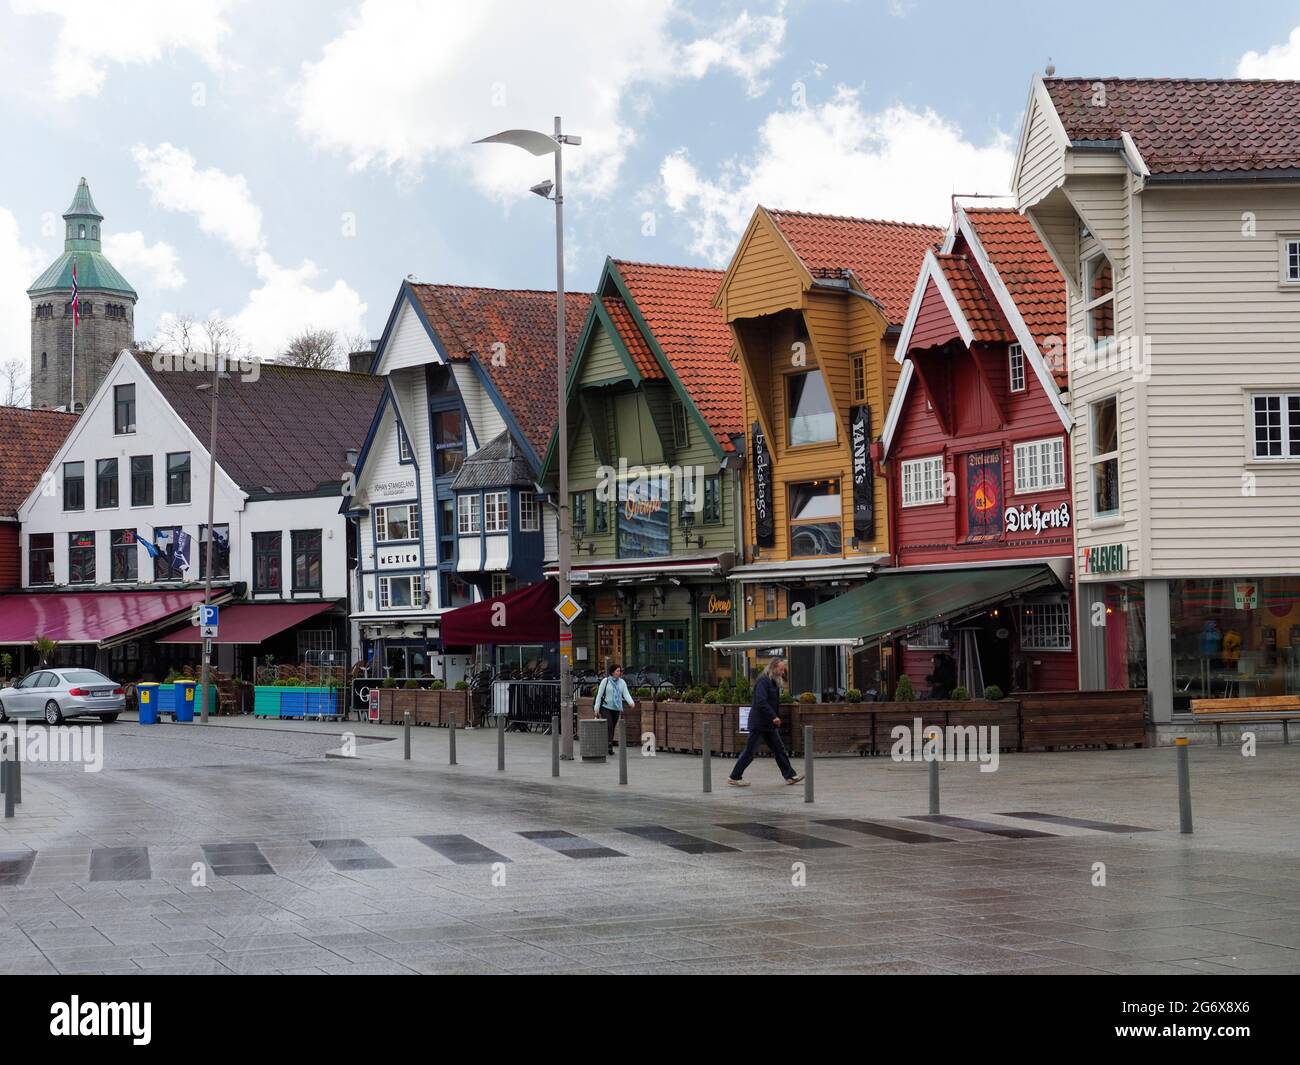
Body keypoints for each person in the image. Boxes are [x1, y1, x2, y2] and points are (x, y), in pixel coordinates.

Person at [729, 658, 803, 787]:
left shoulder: (772, 682)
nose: (782, 672)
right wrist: (774, 716)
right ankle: (734, 777)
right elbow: (761, 701)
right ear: (773, 668)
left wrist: (773, 718)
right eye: (780, 669)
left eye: (783, 669)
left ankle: (790, 776)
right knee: (750, 751)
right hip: (759, 723)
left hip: (768, 725)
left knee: (779, 749)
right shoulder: (763, 681)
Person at [593, 663, 634, 755]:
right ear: (612, 672)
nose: (619, 673)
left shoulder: (622, 682)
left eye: (620, 671)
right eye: (617, 671)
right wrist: (596, 708)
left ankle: (609, 746)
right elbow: (599, 695)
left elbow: (626, 694)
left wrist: (631, 702)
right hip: (605, 707)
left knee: (612, 727)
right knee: (609, 726)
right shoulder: (605, 681)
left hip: (616, 708)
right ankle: (608, 747)